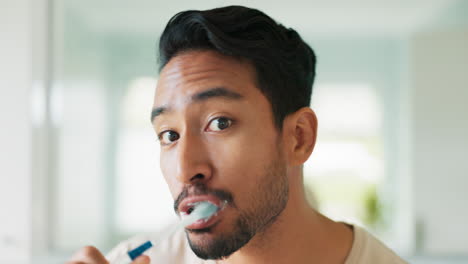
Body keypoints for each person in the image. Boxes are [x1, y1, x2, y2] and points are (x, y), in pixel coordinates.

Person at [67, 5, 407, 264]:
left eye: (220, 123)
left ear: (298, 138)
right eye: (169, 134)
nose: (186, 169)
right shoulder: (133, 259)